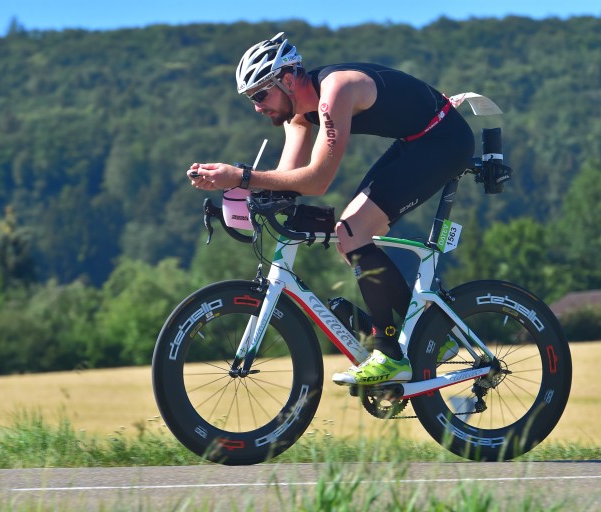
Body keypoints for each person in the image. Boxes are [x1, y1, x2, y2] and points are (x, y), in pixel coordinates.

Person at [188, 32, 474, 385]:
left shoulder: (334, 92)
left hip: (444, 140)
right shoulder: (297, 115)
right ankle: (432, 339)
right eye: (251, 99)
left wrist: (243, 176)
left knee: (352, 232)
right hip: (416, 141)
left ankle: (389, 354)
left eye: (261, 94)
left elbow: (316, 181)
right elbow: (287, 179)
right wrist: (233, 185)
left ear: (288, 80)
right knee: (349, 239)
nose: (257, 107)